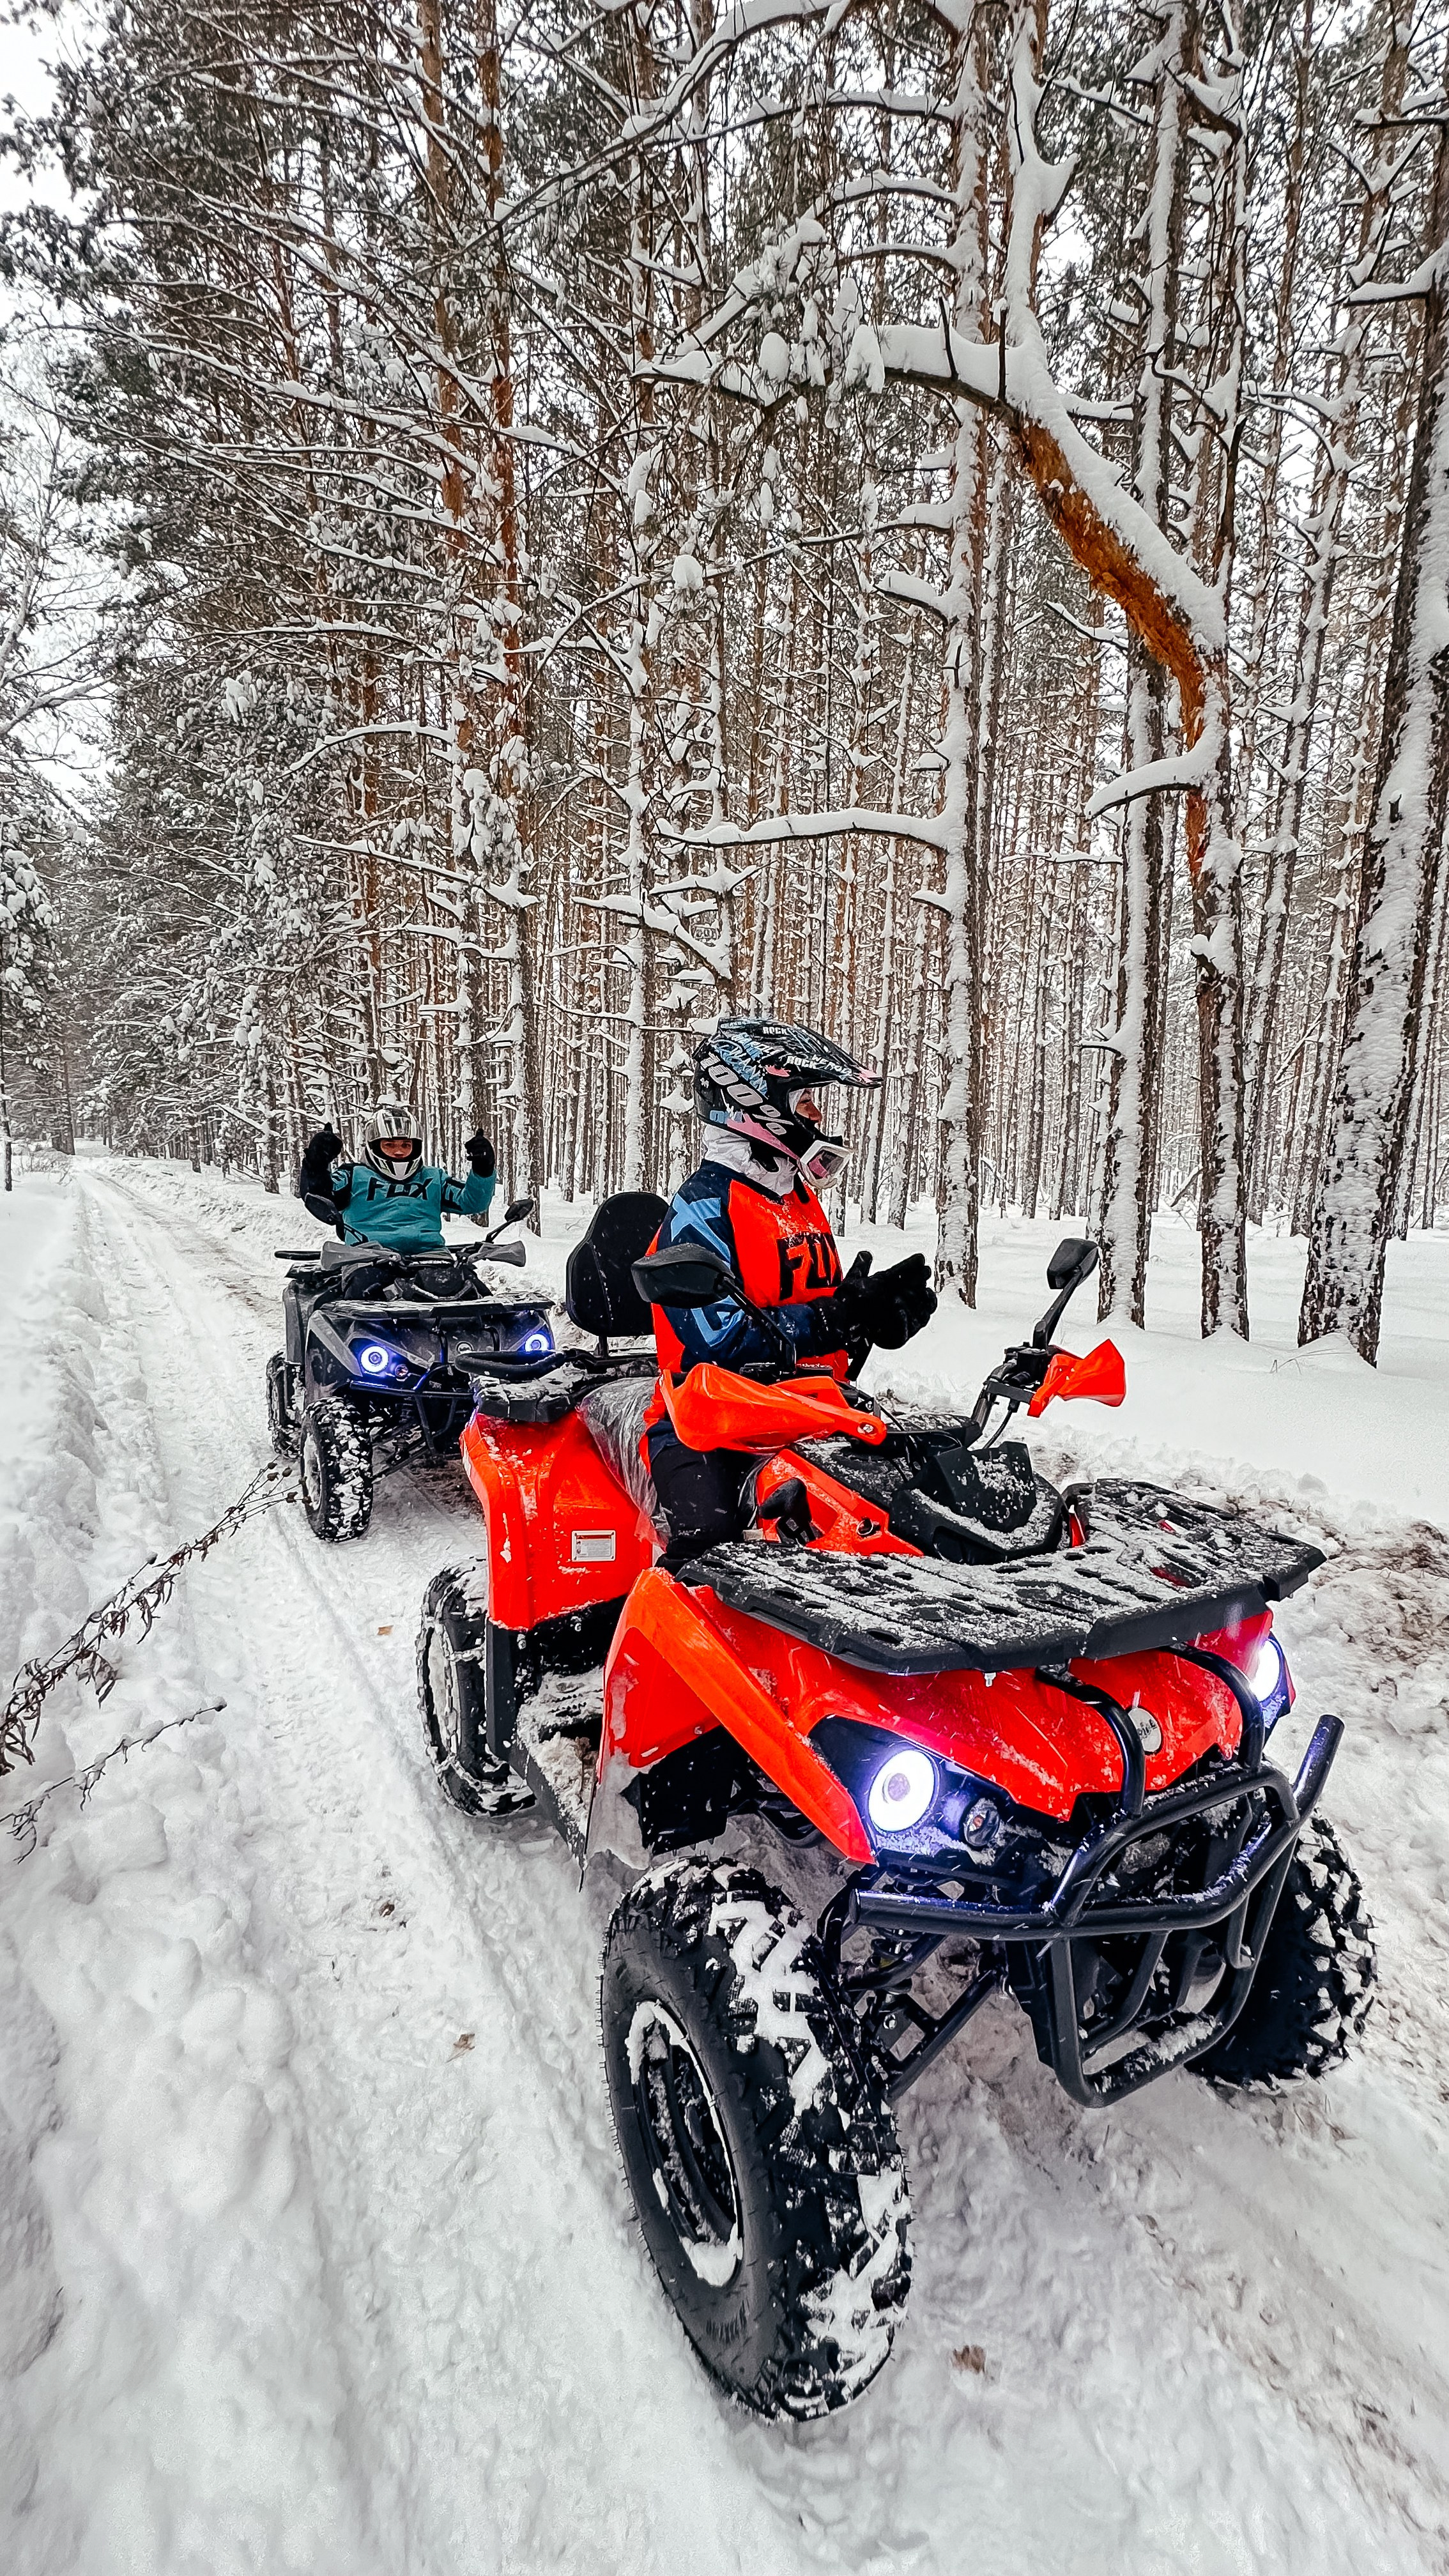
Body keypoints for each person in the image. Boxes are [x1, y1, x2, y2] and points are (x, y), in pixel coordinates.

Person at [643, 1018, 937, 1564]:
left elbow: (808, 1309)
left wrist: (867, 1317)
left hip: (812, 1413)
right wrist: (837, 1316)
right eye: (804, 1101)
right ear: (756, 1104)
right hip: (711, 1427)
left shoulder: (797, 1198)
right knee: (710, 1554)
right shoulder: (704, 1206)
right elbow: (718, 1341)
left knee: (903, 1509)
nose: (817, 1116)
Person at [297, 1100, 497, 1253]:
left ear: (415, 1146)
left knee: (470, 1289)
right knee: (367, 1290)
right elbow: (317, 1194)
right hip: (367, 1257)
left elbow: (472, 1202)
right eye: (389, 1145)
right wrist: (317, 1162)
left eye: (406, 1145)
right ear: (374, 1146)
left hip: (430, 1257)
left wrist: (483, 1168)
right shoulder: (353, 1174)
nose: (399, 1151)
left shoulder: (433, 1178)